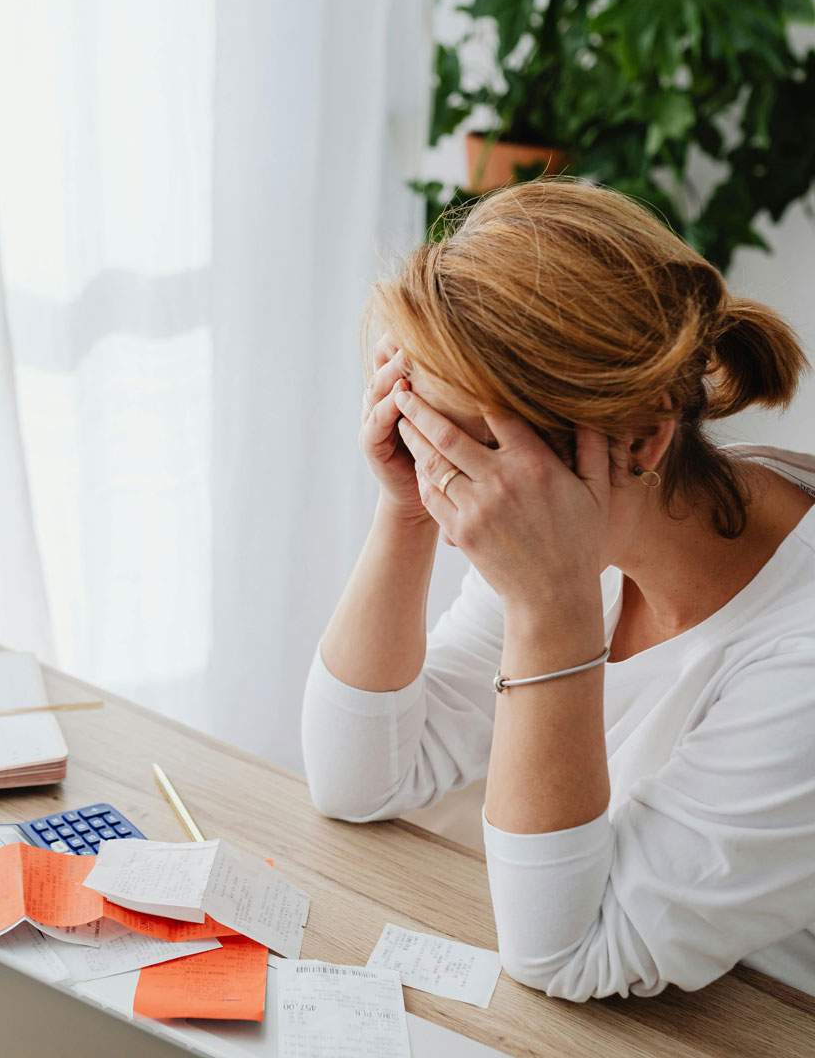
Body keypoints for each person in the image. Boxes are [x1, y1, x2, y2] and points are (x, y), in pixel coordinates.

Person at [301, 179, 815, 1001]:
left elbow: (565, 956)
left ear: (640, 439)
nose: (450, 491)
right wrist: (403, 514)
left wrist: (552, 606)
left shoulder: (796, 658)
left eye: (465, 452)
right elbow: (359, 781)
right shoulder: (600, 518)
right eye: (415, 428)